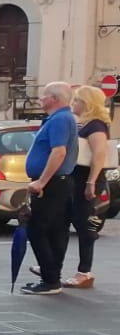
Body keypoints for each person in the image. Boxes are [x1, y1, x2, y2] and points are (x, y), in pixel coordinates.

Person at [20, 81, 78, 295]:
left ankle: (50, 278)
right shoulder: (62, 118)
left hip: (52, 184)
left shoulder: (60, 119)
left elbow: (59, 152)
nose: (40, 99)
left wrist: (41, 182)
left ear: (54, 99)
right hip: (58, 183)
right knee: (55, 231)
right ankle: (52, 277)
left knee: (38, 229)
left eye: (44, 95)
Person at [65, 85, 111, 289]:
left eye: (76, 100)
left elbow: (99, 154)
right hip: (76, 178)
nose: (73, 103)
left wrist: (91, 182)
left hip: (86, 179)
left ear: (86, 103)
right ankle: (53, 264)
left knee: (84, 223)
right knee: (71, 219)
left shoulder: (96, 125)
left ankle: (84, 271)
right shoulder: (83, 124)